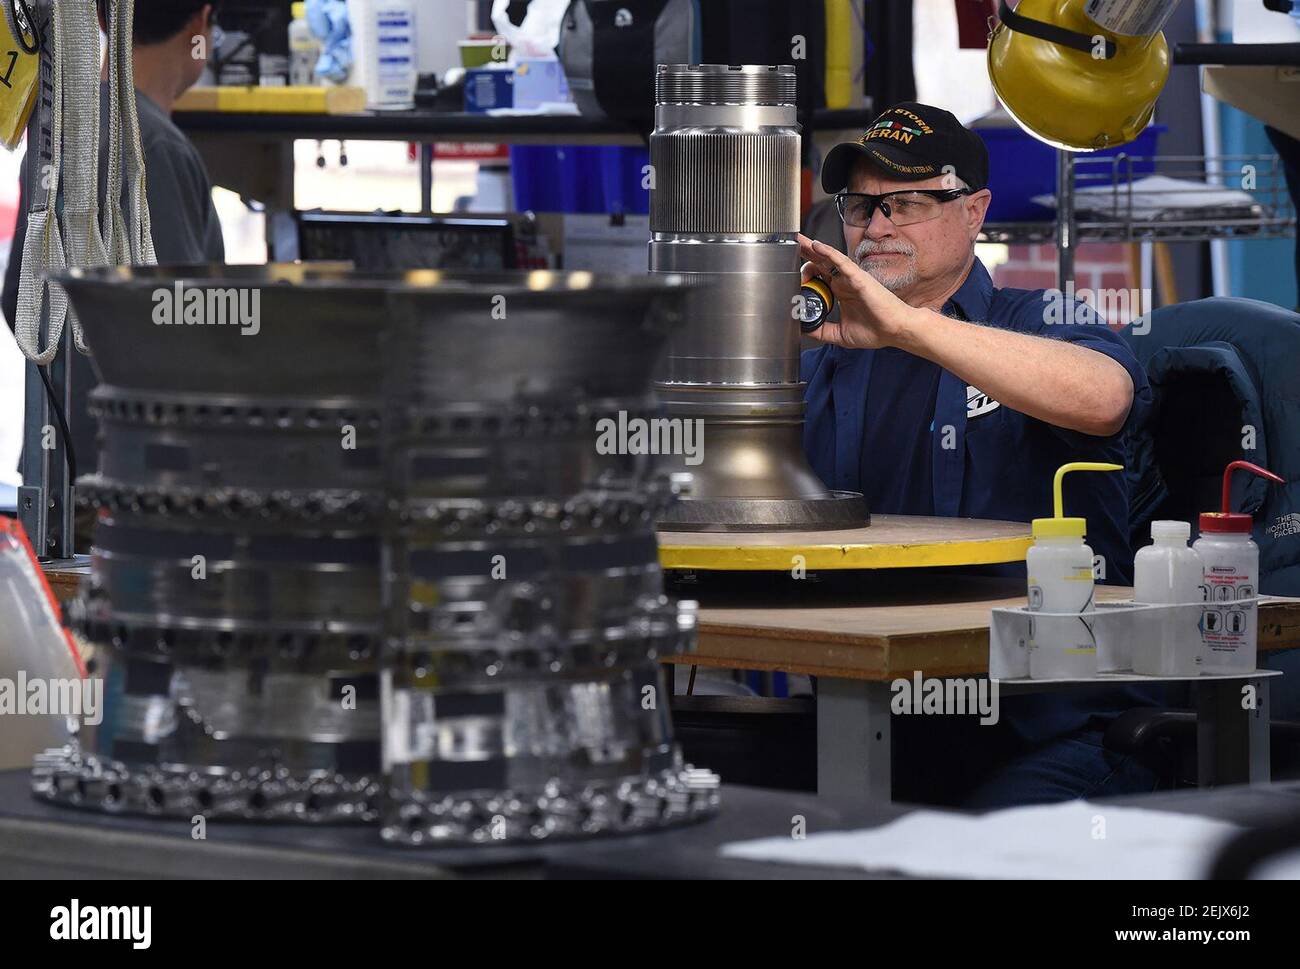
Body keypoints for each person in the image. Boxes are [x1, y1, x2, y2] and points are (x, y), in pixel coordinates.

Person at [799, 102, 1162, 807]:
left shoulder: (1038, 323)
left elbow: (1105, 396)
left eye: (906, 202)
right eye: (860, 205)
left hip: (1054, 728)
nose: (876, 227)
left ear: (974, 210)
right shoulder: (828, 361)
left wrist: (907, 327)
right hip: (874, 719)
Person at [3, 1, 225, 517]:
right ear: (201, 24)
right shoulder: (158, 151)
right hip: (135, 485)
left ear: (103, 20)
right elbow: (185, 329)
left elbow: (21, 303)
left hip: (57, 475)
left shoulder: (60, 133)